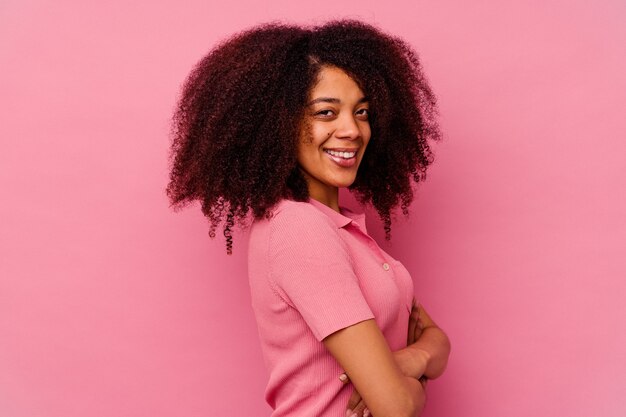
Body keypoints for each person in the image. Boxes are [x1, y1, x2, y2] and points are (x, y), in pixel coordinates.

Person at [166, 19, 451, 417]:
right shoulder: (298, 229)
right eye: (326, 112)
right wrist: (412, 383)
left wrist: (413, 360)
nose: (351, 129)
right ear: (279, 124)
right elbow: (398, 406)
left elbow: (437, 340)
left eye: (362, 111)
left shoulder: (344, 229)